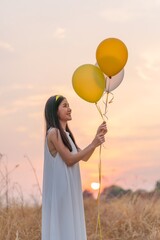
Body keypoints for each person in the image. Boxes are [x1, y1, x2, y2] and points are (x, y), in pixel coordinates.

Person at [42, 95, 107, 240]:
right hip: (62, 191)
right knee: (64, 230)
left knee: (71, 228)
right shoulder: (53, 133)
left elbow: (84, 157)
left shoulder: (67, 135)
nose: (69, 109)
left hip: (71, 190)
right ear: (54, 110)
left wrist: (96, 138)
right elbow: (70, 160)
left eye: (69, 105)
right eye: (65, 106)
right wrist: (93, 144)